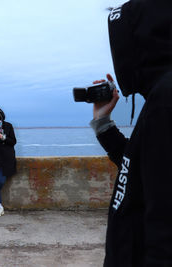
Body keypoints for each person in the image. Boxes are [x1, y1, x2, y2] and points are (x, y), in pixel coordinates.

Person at [90, 1, 172, 265]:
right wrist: (103, 123)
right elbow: (143, 168)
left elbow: (164, 234)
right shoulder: (161, 96)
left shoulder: (166, 99)